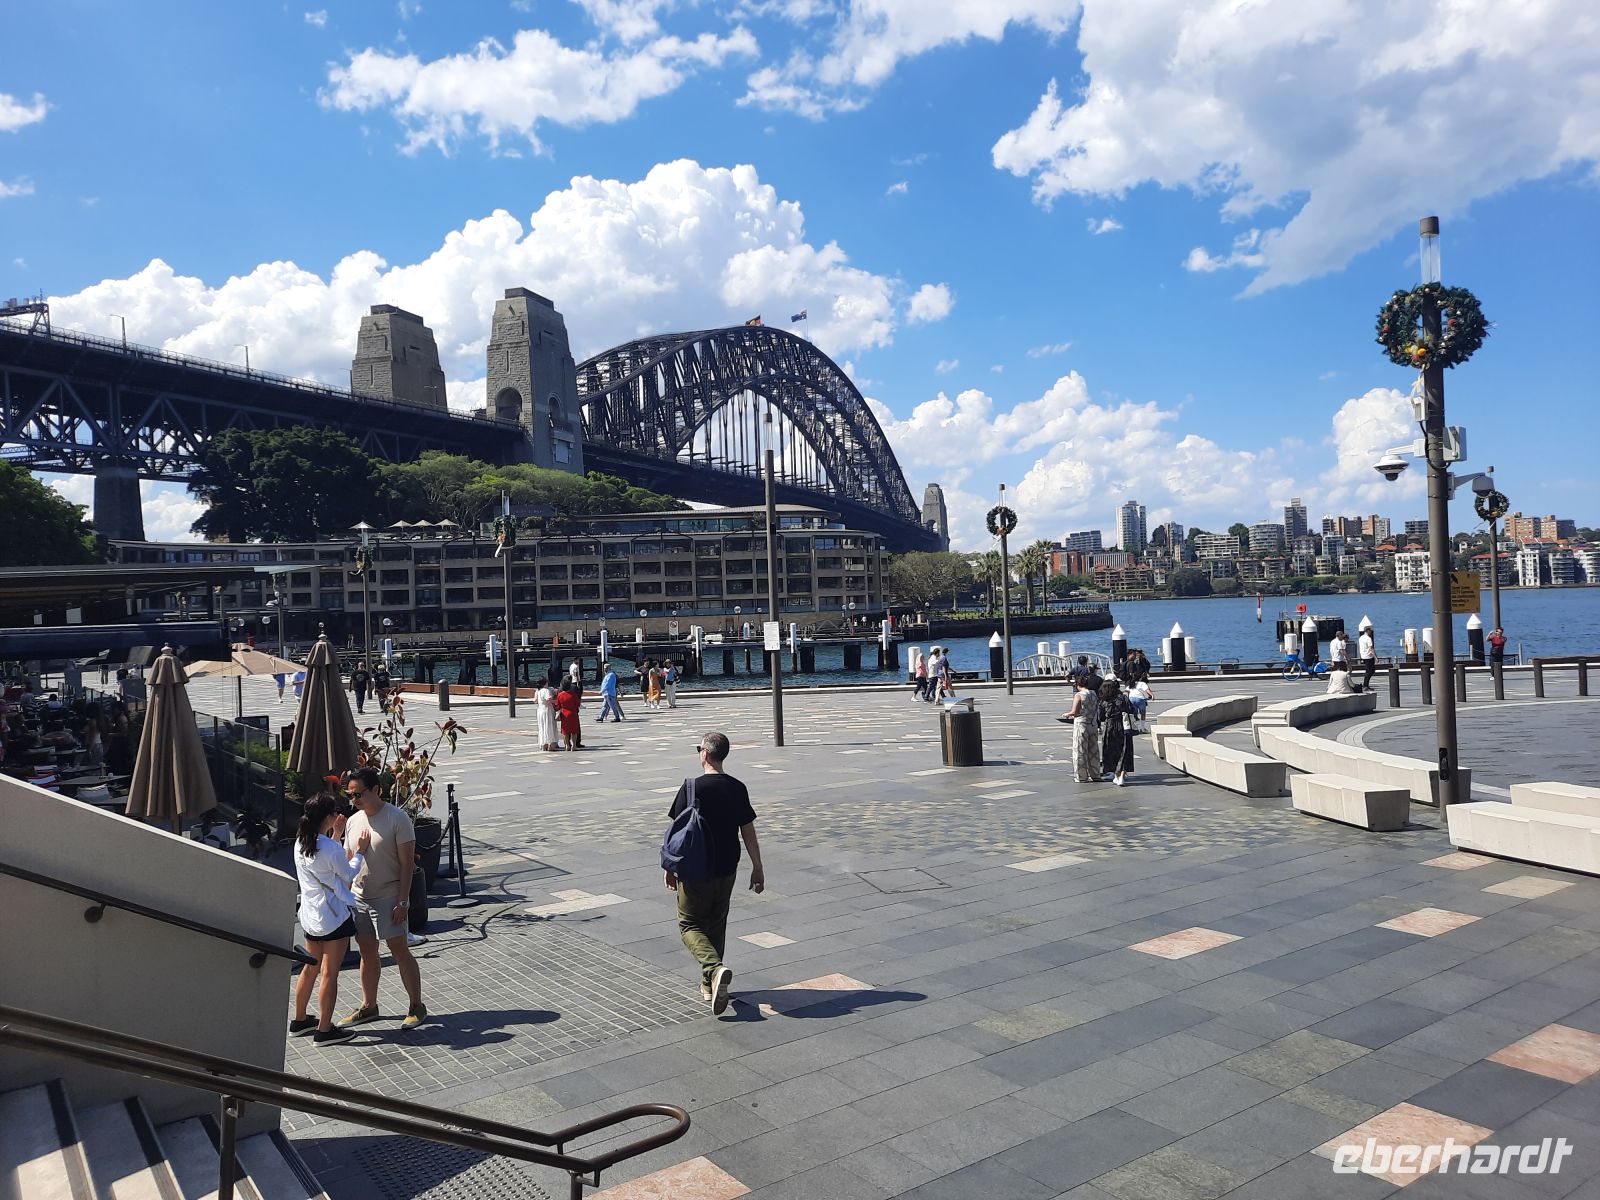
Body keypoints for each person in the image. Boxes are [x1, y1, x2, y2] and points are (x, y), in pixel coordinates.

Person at [664, 732, 763, 1013]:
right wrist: (757, 867)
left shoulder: (692, 787)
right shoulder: (737, 787)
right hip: (726, 867)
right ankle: (710, 985)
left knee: (689, 924)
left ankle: (714, 968)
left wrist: (669, 867)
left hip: (695, 868)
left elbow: (676, 831)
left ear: (705, 754)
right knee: (716, 923)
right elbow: (748, 831)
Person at [338, 768, 426, 1030]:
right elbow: (347, 859)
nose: (354, 800)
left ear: (377, 790)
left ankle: (416, 1005)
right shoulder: (354, 821)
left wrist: (403, 901)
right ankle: (369, 1006)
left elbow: (407, 863)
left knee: (399, 951)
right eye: (350, 795)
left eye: (358, 794)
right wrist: (345, 894)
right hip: (360, 898)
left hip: (389, 896)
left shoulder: (397, 819)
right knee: (367, 952)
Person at [292, 793, 368, 1045]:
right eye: (334, 813)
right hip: (334, 917)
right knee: (329, 973)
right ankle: (324, 1029)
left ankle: (300, 1020)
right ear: (327, 817)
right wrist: (360, 852)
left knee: (310, 968)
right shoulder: (329, 847)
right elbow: (347, 872)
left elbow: (324, 861)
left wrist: (336, 833)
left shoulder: (301, 842)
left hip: (312, 916)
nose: (338, 816)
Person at [1064, 674, 1101, 783]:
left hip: (1082, 724)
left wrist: (1066, 714)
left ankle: (1081, 776)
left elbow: (1074, 712)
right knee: (1093, 750)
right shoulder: (1093, 693)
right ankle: (1095, 773)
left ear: (1077, 684)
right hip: (1093, 723)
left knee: (1080, 750)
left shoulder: (1079, 695)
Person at [1098, 679, 1135, 787]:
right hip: (1124, 726)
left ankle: (1113, 772)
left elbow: (1100, 716)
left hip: (1109, 727)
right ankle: (1121, 775)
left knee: (1110, 750)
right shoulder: (1123, 698)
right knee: (1125, 751)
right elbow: (1132, 710)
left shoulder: (1104, 701)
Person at [535, 674, 560, 750]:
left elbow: (535, 700)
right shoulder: (546, 691)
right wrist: (556, 701)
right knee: (549, 726)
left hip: (540, 710)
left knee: (542, 727)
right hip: (547, 710)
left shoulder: (538, 691)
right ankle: (551, 744)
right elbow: (549, 700)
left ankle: (544, 743)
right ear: (545, 683)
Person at [554, 682, 582, 751]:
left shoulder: (560, 695)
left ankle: (567, 745)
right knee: (574, 731)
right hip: (573, 713)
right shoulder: (573, 694)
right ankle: (574, 745)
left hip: (564, 714)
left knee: (565, 731)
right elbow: (577, 703)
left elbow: (558, 705)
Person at [1358, 624, 1377, 693]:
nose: (1371, 632)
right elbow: (1371, 648)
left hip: (1363, 655)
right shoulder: (1368, 638)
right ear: (1367, 631)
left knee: (1368, 670)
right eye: (1370, 631)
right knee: (1370, 671)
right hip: (1369, 656)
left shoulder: (1361, 638)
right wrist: (1376, 657)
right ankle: (1365, 685)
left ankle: (1366, 685)